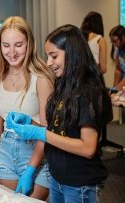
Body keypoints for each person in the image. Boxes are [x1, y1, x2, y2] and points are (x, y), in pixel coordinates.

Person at [7, 24, 112, 203]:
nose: (48, 63)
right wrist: (31, 124)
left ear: (72, 53)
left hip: (80, 182)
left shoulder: (89, 91)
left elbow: (87, 148)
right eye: (48, 56)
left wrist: (41, 133)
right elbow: (58, 130)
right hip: (58, 178)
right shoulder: (63, 85)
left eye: (54, 56)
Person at [0, 16, 53, 201]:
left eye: (18, 45)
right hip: (5, 153)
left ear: (29, 43)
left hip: (36, 152)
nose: (12, 52)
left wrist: (30, 169)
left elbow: (47, 130)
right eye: (6, 45)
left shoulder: (42, 78)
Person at [109, 25, 125, 91]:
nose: (114, 44)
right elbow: (118, 70)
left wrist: (117, 88)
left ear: (123, 37)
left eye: (115, 41)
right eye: (112, 42)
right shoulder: (118, 50)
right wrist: (114, 90)